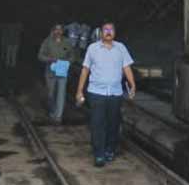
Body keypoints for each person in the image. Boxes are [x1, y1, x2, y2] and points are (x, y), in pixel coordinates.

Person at [75, 21, 135, 167]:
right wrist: (79, 90)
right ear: (101, 33)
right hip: (96, 93)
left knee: (113, 124)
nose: (108, 32)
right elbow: (85, 69)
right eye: (105, 30)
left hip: (115, 93)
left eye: (111, 29)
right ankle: (99, 154)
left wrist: (132, 84)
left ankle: (109, 150)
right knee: (97, 124)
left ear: (114, 33)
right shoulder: (92, 48)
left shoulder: (121, 48)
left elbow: (126, 67)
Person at [37, 24, 75, 124]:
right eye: (56, 29)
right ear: (53, 31)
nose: (58, 31)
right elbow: (40, 55)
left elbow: (72, 55)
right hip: (50, 71)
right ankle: (53, 111)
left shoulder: (67, 42)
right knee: (51, 94)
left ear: (63, 31)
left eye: (60, 29)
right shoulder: (47, 41)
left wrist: (68, 62)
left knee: (61, 94)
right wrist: (50, 59)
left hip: (62, 70)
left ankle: (58, 116)